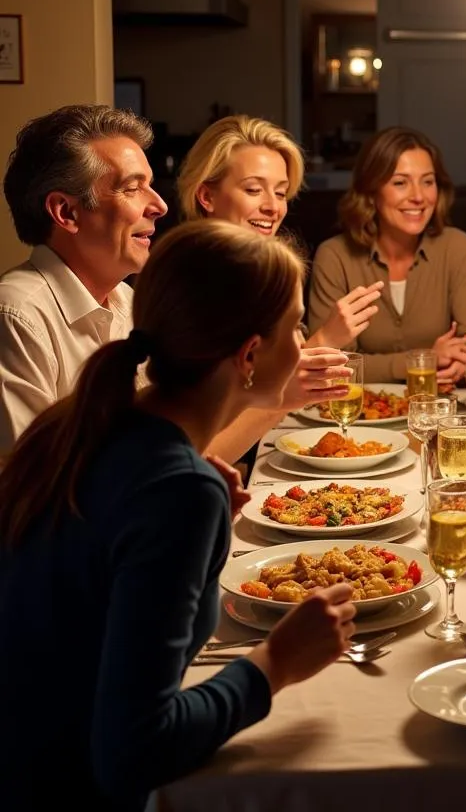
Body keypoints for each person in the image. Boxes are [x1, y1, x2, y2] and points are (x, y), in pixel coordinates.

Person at [0, 220, 358, 809]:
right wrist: (276, 662)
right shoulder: (176, 489)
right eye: (294, 326)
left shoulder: (92, 429)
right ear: (249, 354)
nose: (304, 343)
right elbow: (134, 751)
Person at [0, 105, 348, 461]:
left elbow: (170, 448)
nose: (160, 205)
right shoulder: (18, 317)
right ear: (66, 212)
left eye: (281, 192)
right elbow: (31, 495)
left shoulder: (126, 301)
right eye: (133, 188)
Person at [177, 114, 383, 349]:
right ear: (206, 197)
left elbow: (283, 371)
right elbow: (231, 383)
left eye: (280, 193)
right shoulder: (183, 280)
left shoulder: (277, 271)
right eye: (253, 190)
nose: (273, 208)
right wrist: (325, 341)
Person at [308, 126, 466, 384]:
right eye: (400, 183)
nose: (418, 196)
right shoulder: (335, 256)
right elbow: (331, 363)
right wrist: (425, 360)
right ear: (371, 193)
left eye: (428, 181)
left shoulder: (456, 246)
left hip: (438, 409)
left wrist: (463, 364)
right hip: (359, 410)